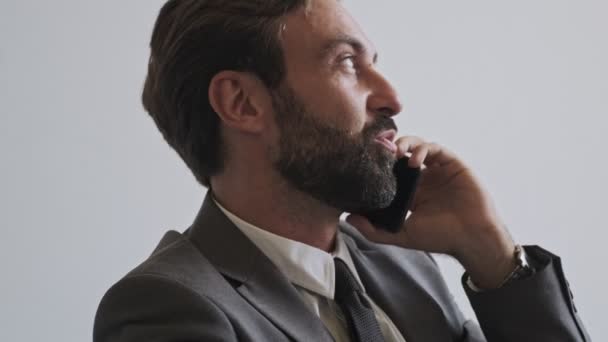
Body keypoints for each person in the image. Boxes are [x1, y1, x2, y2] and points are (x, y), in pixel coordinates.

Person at [94, 0, 590, 341]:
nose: (393, 97)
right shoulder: (166, 306)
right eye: (347, 63)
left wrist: (489, 251)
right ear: (242, 102)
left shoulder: (403, 266)